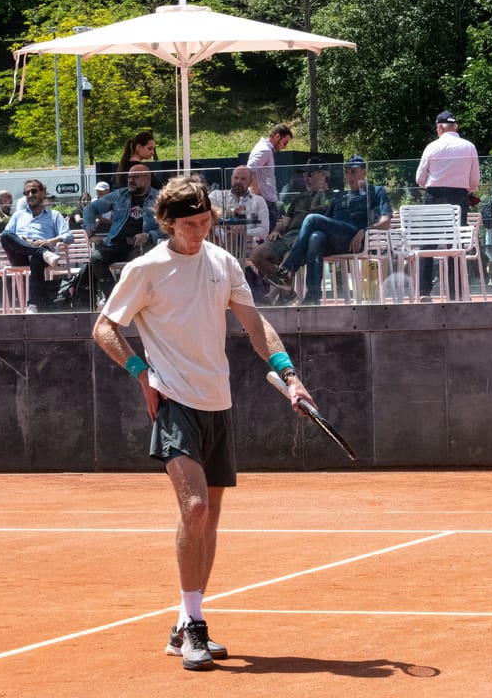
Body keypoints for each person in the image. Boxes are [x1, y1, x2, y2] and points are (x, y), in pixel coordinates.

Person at [91, 173, 315, 671]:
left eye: (205, 221)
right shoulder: (146, 270)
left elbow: (256, 325)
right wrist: (140, 372)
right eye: (189, 224)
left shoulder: (223, 261)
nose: (200, 231)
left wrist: (289, 376)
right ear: (166, 223)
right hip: (173, 401)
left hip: (219, 401)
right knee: (193, 510)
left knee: (208, 519)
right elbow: (104, 327)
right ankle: (194, 627)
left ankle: (183, 622)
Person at [266, 155, 392, 305]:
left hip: (356, 239)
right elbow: (327, 220)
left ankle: (287, 271)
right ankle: (312, 297)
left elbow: (386, 222)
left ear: (364, 172)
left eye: (354, 171)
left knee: (312, 219)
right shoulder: (340, 195)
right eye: (347, 172)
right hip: (335, 240)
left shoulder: (376, 191)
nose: (349, 175)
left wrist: (365, 230)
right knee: (315, 237)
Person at [415, 110, 480, 301]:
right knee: (455, 244)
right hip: (458, 197)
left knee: (427, 243)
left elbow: (419, 178)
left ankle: (424, 292)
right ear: (456, 127)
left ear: (440, 127)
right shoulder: (469, 147)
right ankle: (456, 292)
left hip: (434, 196)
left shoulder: (432, 147)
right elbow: (474, 180)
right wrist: (462, 187)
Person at [249, 159, 333, 302]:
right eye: (304, 175)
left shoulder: (332, 198)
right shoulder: (299, 198)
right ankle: (286, 291)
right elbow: (286, 221)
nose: (305, 178)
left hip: (312, 239)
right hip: (288, 236)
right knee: (257, 254)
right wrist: (276, 230)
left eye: (309, 174)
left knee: (290, 254)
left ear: (323, 175)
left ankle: (273, 296)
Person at [83, 164, 161, 303]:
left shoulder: (159, 198)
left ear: (148, 178)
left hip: (144, 247)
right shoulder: (120, 195)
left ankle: (138, 302)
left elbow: (172, 226)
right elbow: (89, 208)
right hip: (117, 244)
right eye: (129, 177)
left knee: (138, 264)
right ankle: (114, 299)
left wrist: (149, 235)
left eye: (135, 177)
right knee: (96, 258)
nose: (130, 180)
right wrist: (91, 233)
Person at [0, 179, 73, 313]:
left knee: (36, 258)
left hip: (41, 254)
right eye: (26, 192)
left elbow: (68, 236)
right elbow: (7, 237)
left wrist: (49, 241)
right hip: (21, 254)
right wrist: (23, 241)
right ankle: (41, 252)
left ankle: (33, 305)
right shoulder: (18, 215)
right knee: (5, 235)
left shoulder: (54, 215)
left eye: (33, 191)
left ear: (42, 193)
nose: (30, 195)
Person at [246, 123, 293, 230]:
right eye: (285, 142)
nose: (285, 146)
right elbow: (249, 170)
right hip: (264, 201)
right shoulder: (265, 150)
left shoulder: (264, 149)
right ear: (277, 137)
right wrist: (258, 194)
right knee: (267, 239)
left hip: (265, 200)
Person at [207, 165, 269, 243]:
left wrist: (243, 232)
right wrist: (231, 213)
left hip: (248, 245)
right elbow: (208, 215)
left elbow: (264, 229)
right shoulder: (216, 195)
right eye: (236, 178)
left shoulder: (258, 201)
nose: (238, 181)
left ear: (250, 181)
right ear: (231, 178)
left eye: (243, 179)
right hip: (219, 244)